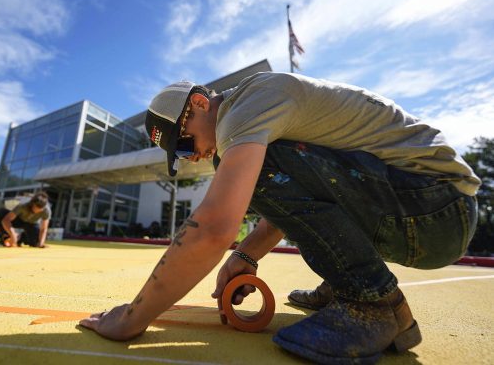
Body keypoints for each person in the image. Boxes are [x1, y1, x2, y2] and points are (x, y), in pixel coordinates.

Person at [78, 72, 480, 364]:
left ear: (200, 104)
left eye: (184, 143)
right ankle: (356, 289)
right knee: (262, 165)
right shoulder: (260, 110)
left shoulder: (247, 106)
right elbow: (305, 199)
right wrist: (246, 256)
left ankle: (370, 302)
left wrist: (133, 317)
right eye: (181, 155)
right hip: (432, 210)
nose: (192, 156)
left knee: (254, 166)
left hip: (434, 207)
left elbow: (216, 227)